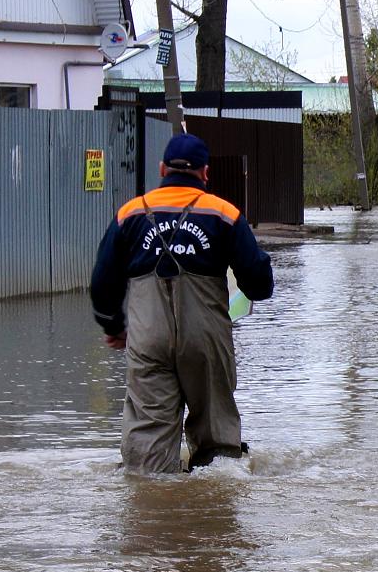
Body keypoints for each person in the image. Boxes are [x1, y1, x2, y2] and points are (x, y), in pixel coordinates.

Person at [90, 133, 274, 473]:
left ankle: (153, 513)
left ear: (161, 169)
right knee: (217, 442)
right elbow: (259, 282)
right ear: (205, 173)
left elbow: (102, 282)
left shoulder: (129, 214)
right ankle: (212, 511)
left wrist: (114, 326)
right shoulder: (224, 214)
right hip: (206, 340)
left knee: (148, 450)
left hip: (147, 342)